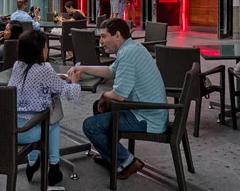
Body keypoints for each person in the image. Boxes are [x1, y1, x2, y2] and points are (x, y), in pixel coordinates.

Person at [68, 18, 167, 180]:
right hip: (147, 110)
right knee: (99, 108)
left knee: (90, 126)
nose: (101, 41)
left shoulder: (128, 54)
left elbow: (119, 95)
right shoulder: (131, 48)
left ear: (118, 35)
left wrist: (103, 96)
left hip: (147, 117)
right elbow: (110, 71)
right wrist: (82, 68)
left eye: (104, 36)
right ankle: (111, 156)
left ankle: (127, 162)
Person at [8, 30, 82, 186]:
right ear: (41, 50)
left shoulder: (17, 65)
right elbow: (69, 93)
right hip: (28, 132)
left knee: (37, 116)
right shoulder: (45, 69)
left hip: (10, 128)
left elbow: (33, 83)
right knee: (53, 121)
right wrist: (74, 81)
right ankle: (54, 166)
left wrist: (53, 79)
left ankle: (32, 160)